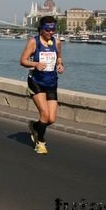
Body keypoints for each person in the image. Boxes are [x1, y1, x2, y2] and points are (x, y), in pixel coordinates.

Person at [19, 16, 65, 154]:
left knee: (51, 118)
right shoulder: (34, 42)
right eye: (48, 30)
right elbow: (22, 61)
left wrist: (60, 65)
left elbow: (60, 58)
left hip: (51, 82)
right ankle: (40, 142)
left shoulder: (56, 43)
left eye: (53, 30)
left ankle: (34, 125)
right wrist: (35, 64)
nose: (51, 32)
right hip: (36, 81)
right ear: (41, 29)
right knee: (44, 114)